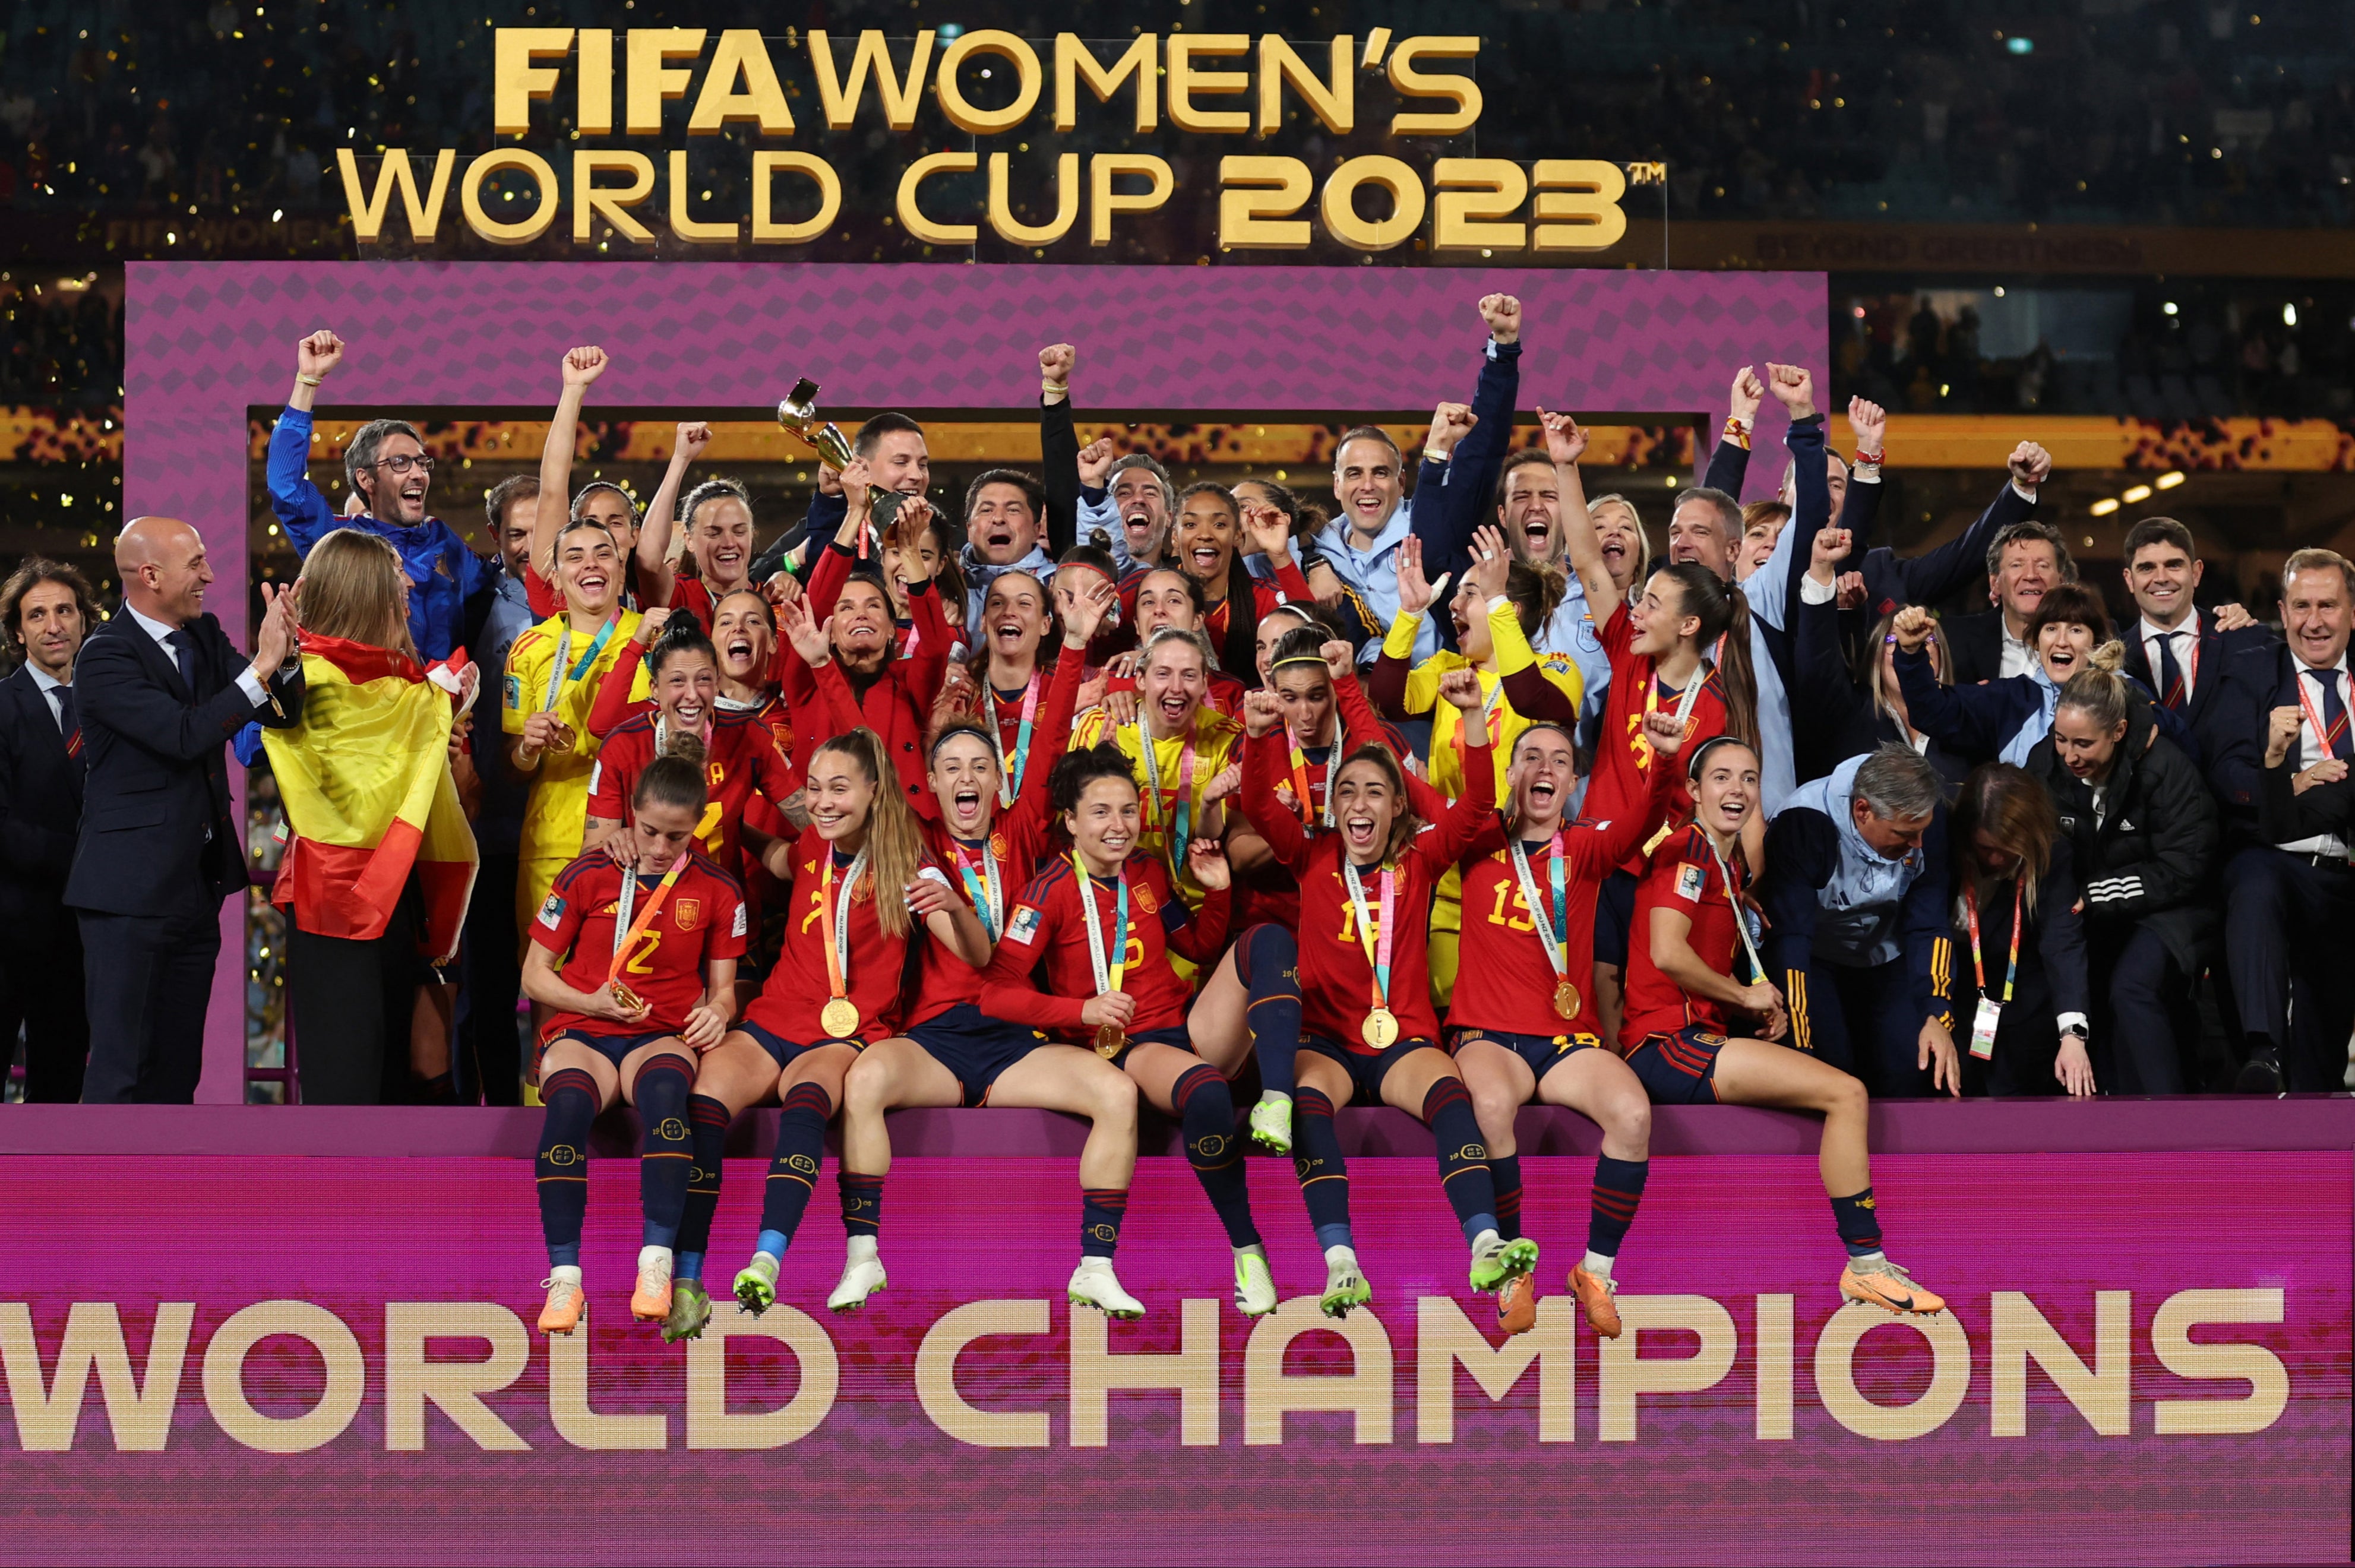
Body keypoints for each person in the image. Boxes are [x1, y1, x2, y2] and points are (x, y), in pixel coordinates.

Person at [1237, 669, 1536, 1316]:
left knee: (1451, 1100)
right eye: (1347, 791)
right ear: (1334, 807)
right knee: (1306, 1108)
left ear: (1396, 806)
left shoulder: (1419, 860)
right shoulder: (1310, 855)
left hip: (1401, 1038)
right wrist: (1258, 737)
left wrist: (1474, 719)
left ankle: (1484, 1242)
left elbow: (1478, 805)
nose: (1360, 804)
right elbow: (1259, 806)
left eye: (1375, 791)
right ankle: (1340, 1262)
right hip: (1326, 1038)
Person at [1621, 735, 1950, 1317]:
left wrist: (1754, 1005)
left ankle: (1864, 1265)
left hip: (1698, 1037)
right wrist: (1744, 996)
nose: (1738, 790)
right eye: (1721, 777)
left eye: (1749, 778)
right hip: (1665, 1042)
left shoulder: (1724, 866)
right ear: (1693, 791)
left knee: (1842, 1091)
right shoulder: (1690, 852)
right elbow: (1667, 955)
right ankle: (1864, 1266)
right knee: (1845, 1092)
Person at [969, 743, 1284, 1318]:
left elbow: (1195, 945)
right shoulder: (1047, 892)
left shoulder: (1144, 870)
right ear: (1069, 821)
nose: (1118, 826)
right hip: (1123, 1048)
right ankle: (1247, 1251)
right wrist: (1080, 1012)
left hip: (1182, 1027)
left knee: (1263, 941)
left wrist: (1217, 892)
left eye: (1127, 811)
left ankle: (1278, 1100)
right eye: (1100, 812)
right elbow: (994, 994)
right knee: (1206, 1090)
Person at [709, 730, 990, 1320]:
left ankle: (766, 1259)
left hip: (846, 1031)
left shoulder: (909, 864)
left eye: (839, 789)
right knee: (703, 1104)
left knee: (807, 1105)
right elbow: (779, 861)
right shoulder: (813, 841)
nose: (822, 802)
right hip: (772, 1018)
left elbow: (976, 955)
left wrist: (956, 909)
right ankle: (680, 1270)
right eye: (814, 789)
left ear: (872, 790)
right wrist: (734, 829)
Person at [1449, 712, 1685, 1340]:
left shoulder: (1585, 849)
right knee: (1491, 1103)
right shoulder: (1473, 840)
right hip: (1486, 1034)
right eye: (1530, 756)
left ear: (1573, 781)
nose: (1544, 768)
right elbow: (1447, 791)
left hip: (1564, 1042)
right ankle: (1509, 1271)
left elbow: (1642, 819)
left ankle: (1596, 1270)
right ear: (1510, 772)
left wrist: (1662, 760)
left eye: (1558, 759)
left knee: (1633, 1115)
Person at [69, 517, 303, 1102]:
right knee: (123, 1068)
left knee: (177, 1073)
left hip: (194, 889)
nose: (209, 574)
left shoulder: (204, 636)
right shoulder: (105, 657)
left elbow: (277, 713)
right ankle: (100, 1192)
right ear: (150, 575)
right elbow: (183, 735)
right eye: (196, 563)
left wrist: (288, 656)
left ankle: (161, 1194)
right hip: (127, 896)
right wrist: (261, 667)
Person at [524, 755, 747, 1335]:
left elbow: (725, 993)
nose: (658, 846)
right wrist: (592, 1002)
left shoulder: (719, 890)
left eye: (676, 835)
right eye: (648, 830)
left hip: (660, 1035)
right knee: (568, 1110)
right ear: (632, 815)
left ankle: (656, 1265)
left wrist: (717, 1015)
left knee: (669, 1099)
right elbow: (533, 976)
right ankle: (566, 1281)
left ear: (699, 822)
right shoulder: (587, 873)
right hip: (585, 1031)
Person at [267, 530, 479, 1105]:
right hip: (334, 901)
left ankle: (390, 1198)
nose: (410, 585)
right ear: (364, 592)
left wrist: (443, 724)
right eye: (396, 577)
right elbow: (270, 718)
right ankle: (335, 1198)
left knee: (393, 1079)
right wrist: (275, 661)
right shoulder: (305, 680)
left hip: (398, 897)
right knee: (347, 1081)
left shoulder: (408, 688)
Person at [1369, 526, 1581, 1004]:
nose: (1454, 606)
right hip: (1451, 872)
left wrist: (1496, 601)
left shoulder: (1559, 669)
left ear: (1509, 608)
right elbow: (1386, 699)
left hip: (1525, 878)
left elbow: (1528, 698)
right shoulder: (1448, 667)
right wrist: (1408, 615)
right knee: (1449, 1010)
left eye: (1471, 594)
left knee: (1516, 1010)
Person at [2208, 548, 2355, 1093]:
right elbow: (2224, 768)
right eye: (2300, 606)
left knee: (2320, 1061)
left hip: (2344, 870)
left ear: (2352, 612)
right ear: (2280, 609)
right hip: (2273, 852)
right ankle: (2261, 1049)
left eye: (2327, 606)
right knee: (2254, 883)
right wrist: (2286, 781)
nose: (2312, 621)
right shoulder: (2250, 670)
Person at [2029, 666, 2216, 1093]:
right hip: (2095, 909)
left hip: (2174, 908)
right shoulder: (2045, 766)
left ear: (2118, 731)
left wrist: (2094, 894)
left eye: (2083, 743)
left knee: (2131, 988)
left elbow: (2184, 867)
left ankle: (2164, 1120)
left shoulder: (2165, 767)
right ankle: (2109, 1126)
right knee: (2077, 986)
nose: (2068, 756)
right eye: (2061, 739)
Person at [502, 517, 652, 1041]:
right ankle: (542, 1110)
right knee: (549, 993)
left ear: (620, 566)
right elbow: (515, 766)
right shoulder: (529, 648)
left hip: (639, 838)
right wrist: (527, 745)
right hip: (553, 841)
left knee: (640, 984)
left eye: (603, 553)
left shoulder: (655, 636)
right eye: (575, 556)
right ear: (557, 575)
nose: (590, 564)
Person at [265, 329, 497, 661]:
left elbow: (503, 585)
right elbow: (286, 486)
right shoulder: (342, 542)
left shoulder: (445, 542)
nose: (418, 473)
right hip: (365, 704)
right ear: (366, 479)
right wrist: (308, 381)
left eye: (421, 462)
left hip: (441, 708)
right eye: (401, 463)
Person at [1759, 743, 1956, 1097]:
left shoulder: (1922, 817)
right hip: (1814, 957)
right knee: (1827, 1072)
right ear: (1862, 810)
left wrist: (1937, 1014)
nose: (1919, 845)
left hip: (1887, 953)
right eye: (1903, 836)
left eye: (1922, 832)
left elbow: (1928, 924)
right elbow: (1791, 940)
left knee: (1914, 1067)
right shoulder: (1803, 822)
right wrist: (1801, 1044)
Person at [778, 480, 952, 803]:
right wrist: (855, 512)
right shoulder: (806, 681)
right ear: (828, 628)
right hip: (827, 838)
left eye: (874, 606)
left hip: (903, 839)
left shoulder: (908, 683)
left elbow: (936, 644)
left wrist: (910, 550)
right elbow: (816, 602)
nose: (861, 614)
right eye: (846, 607)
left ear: (891, 630)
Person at [583, 618, 799, 877]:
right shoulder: (624, 745)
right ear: (655, 689)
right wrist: (614, 844)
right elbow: (592, 854)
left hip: (724, 906)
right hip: (645, 906)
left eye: (704, 680)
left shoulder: (749, 736)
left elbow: (811, 819)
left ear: (717, 683)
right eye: (677, 681)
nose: (692, 695)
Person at [459, 475, 543, 1105]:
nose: (530, 546)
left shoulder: (598, 596)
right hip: (489, 830)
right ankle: (484, 1128)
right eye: (517, 534)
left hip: (565, 833)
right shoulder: (474, 600)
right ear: (495, 538)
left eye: (541, 530)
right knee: (484, 992)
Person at [0, 558, 97, 1101]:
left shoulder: (108, 706)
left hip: (79, 935)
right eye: (37, 615)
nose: (53, 625)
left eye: (64, 610)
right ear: (18, 631)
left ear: (84, 619)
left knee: (59, 1089)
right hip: (8, 929)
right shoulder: (1, 707)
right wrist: (85, 857)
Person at [1071, 628, 1247, 912]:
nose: (1176, 688)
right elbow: (1067, 825)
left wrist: (1209, 804)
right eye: (1163, 674)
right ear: (1140, 679)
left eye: (1189, 676)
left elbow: (1211, 840)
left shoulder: (1226, 737)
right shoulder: (1098, 727)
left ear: (1204, 683)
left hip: (1191, 907)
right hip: (1108, 904)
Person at [1945, 763, 2093, 1096]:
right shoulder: (1943, 846)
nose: (1997, 859)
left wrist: (2073, 1036)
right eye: (1986, 849)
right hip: (1953, 989)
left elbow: (2063, 944)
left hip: (2021, 997)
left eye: (2007, 848)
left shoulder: (2052, 855)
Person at [1790, 529, 1972, 789]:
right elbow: (1818, 662)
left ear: (1941, 654)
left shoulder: (1968, 721)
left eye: (1925, 640)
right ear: (1875, 657)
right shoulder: (1849, 715)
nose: (1909, 648)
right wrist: (1821, 570)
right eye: (1893, 640)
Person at [525, 346, 665, 619]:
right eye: (591, 522)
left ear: (635, 534)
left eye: (615, 522)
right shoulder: (555, 593)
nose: (605, 533)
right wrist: (574, 389)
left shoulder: (650, 598)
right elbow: (553, 491)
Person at [2116, 515, 2269, 762]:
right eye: (2147, 568)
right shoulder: (2114, 661)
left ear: (2196, 573)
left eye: (2174, 565)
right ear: (2129, 579)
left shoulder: (2243, 641)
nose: (2161, 578)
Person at [749, 412, 932, 586]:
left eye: (923, 465)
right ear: (861, 467)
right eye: (901, 463)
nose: (917, 475)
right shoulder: (821, 530)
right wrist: (793, 562)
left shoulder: (943, 537)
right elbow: (751, 582)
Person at [1946, 520, 2075, 686]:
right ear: (1995, 583)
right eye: (2017, 565)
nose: (2031, 575)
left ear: (2061, 581)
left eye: (2043, 565)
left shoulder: (2096, 638)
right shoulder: (1955, 640)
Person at [957, 467, 1057, 628]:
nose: (998, 518)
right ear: (969, 529)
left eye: (1013, 510)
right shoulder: (949, 585)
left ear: (1036, 530)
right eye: (987, 510)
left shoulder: (1058, 585)